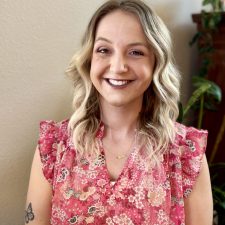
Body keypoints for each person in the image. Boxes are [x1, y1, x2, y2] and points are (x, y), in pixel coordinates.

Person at [25, 0, 213, 224]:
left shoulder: (186, 154)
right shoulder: (53, 147)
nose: (118, 66)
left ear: (156, 62)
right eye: (104, 50)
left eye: (135, 52)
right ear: (89, 59)